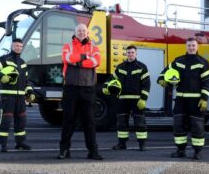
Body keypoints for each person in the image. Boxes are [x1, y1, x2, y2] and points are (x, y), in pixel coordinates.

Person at [157, 37, 209, 160]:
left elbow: (207, 82)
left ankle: (198, 152)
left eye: (193, 45)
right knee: (178, 125)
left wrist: (204, 99)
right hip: (181, 100)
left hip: (196, 101)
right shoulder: (178, 60)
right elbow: (166, 71)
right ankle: (180, 150)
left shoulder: (203, 62)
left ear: (197, 47)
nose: (191, 47)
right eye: (189, 45)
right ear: (186, 47)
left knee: (197, 127)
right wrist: (161, 79)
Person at [58, 23, 103, 160]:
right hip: (70, 88)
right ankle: (64, 150)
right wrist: (85, 57)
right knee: (68, 120)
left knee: (89, 121)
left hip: (88, 88)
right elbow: (67, 58)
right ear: (75, 32)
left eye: (84, 30)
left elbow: (96, 61)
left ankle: (93, 151)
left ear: (87, 32)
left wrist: (78, 61)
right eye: (79, 31)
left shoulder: (94, 47)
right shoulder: (67, 46)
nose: (81, 32)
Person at [0, 38, 35, 152]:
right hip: (7, 97)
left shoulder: (22, 63)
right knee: (6, 121)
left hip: (20, 98)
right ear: (12, 46)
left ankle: (20, 142)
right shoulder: (4, 59)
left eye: (20, 46)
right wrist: (1, 77)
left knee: (21, 121)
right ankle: (2, 144)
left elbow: (26, 80)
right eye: (16, 46)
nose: (18, 48)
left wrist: (30, 91)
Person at [103, 45, 150, 151]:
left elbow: (146, 84)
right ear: (126, 54)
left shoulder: (142, 67)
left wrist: (143, 98)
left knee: (140, 123)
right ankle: (121, 144)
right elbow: (111, 79)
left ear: (136, 53)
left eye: (132, 52)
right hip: (122, 100)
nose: (130, 54)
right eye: (128, 52)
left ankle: (142, 144)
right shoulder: (120, 67)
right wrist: (106, 87)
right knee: (121, 123)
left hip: (137, 100)